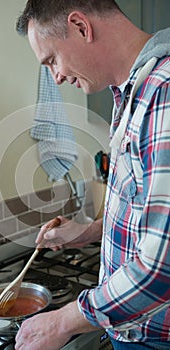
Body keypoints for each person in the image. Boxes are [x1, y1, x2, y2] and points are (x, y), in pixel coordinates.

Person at [15, 1, 170, 349]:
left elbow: (162, 266)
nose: (56, 76)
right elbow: (153, 216)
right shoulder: (132, 92)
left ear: (81, 27)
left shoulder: (164, 93)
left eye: (52, 59)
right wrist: (90, 232)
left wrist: (60, 322)